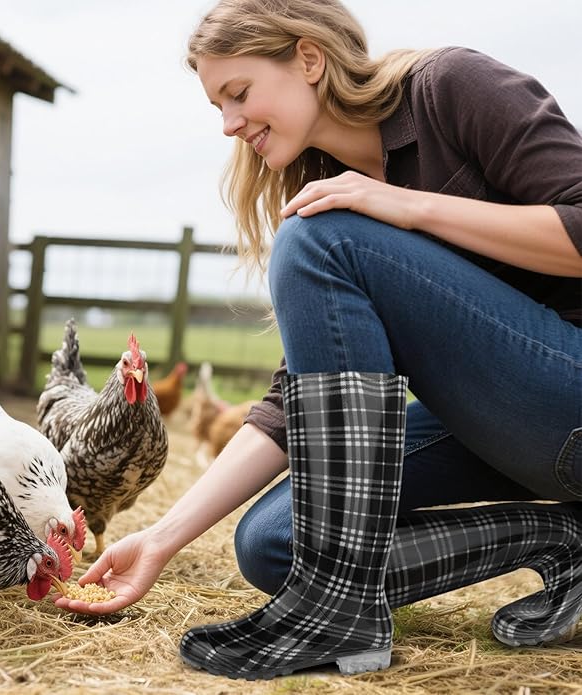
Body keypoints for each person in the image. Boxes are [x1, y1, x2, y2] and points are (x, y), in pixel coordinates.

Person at [55, 0, 582, 680]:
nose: (228, 124)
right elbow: (290, 406)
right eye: (217, 106)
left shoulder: (449, 88)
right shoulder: (327, 191)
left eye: (238, 93)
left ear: (308, 58)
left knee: (319, 238)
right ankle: (562, 539)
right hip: (502, 431)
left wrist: (410, 206)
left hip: (564, 400)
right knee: (276, 541)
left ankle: (342, 614)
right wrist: (160, 537)